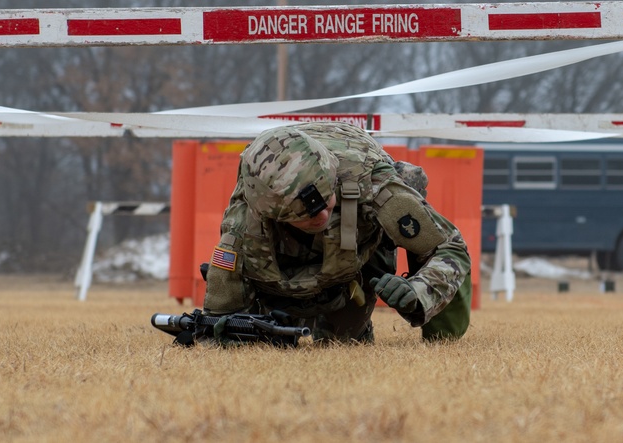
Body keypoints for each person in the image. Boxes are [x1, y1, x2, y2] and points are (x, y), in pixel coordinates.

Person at [202, 122, 472, 344]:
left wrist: (418, 292)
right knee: (260, 337)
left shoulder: (373, 184)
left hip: (359, 230)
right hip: (287, 250)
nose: (321, 215)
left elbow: (450, 246)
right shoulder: (249, 211)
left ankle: (439, 330)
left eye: (325, 201)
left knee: (344, 341)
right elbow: (222, 307)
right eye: (305, 214)